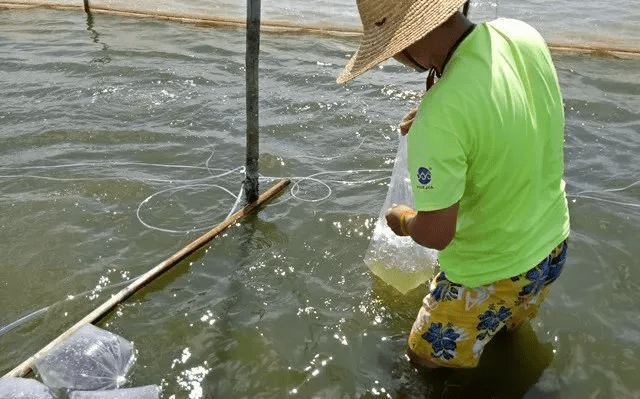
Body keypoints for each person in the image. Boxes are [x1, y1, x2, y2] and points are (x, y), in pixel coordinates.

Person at [337, 0, 570, 368]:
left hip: (488, 273)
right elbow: (504, 111)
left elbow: (436, 235)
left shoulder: (440, 116)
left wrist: (403, 220)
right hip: (551, 246)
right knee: (506, 333)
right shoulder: (521, 34)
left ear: (407, 42)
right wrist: (440, 116)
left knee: (423, 361)